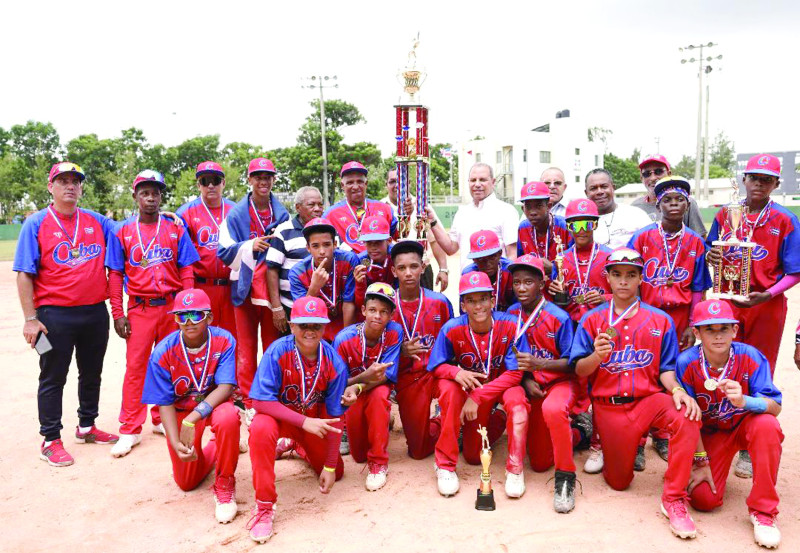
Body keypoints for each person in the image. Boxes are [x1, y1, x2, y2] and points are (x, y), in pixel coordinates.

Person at [570, 247, 702, 540]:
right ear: (607, 278)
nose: (624, 281)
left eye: (631, 275)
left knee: (686, 414)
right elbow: (579, 370)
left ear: (641, 278)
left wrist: (679, 390)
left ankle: (674, 497)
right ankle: (611, 447)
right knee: (619, 482)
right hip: (610, 407)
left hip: (649, 400)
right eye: (616, 274)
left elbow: (666, 370)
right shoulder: (592, 319)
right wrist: (596, 356)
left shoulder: (660, 320)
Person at [14, 162, 119, 466]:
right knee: (52, 376)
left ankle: (87, 426)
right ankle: (50, 439)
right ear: (51, 187)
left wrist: (168, 218)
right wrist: (30, 318)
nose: (70, 186)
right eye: (62, 181)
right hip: (52, 317)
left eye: (75, 181)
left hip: (94, 313)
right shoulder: (35, 223)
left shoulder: (96, 221)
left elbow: (131, 228)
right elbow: (23, 274)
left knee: (91, 373)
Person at [706, 153, 800, 480]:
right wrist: (712, 254)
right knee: (722, 361)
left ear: (776, 184)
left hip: (766, 303)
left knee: (760, 367)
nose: (758, 184)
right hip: (729, 300)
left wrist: (769, 294)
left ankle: (748, 444)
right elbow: (710, 251)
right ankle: (721, 426)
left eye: (766, 179)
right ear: (744, 179)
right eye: (753, 177)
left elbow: (795, 272)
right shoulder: (726, 213)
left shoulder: (786, 220)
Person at [245, 296, 360, 543]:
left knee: (337, 473)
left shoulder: (334, 362)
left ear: (325, 327)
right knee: (260, 427)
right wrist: (303, 422)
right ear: (291, 325)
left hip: (314, 423)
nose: (310, 331)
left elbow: (335, 418)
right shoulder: (277, 351)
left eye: (316, 325)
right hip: (284, 420)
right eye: (303, 324)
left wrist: (329, 465)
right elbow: (260, 402)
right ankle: (264, 506)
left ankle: (297, 446)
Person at [105, 169, 200, 457]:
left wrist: (188, 307)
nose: (150, 197)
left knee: (173, 365)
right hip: (140, 308)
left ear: (161, 196)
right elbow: (115, 275)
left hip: (172, 307)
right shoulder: (121, 231)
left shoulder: (174, 228)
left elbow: (187, 268)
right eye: (144, 192)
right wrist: (118, 313)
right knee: (136, 369)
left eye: (155, 192)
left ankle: (162, 419)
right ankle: (130, 428)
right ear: (135, 196)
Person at [677, 299, 783, 549]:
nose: (717, 336)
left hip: (745, 426)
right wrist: (700, 459)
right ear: (697, 332)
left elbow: (775, 406)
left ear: (735, 330)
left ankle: (764, 511)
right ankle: (709, 466)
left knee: (767, 425)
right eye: (709, 329)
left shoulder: (750, 356)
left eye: (724, 328)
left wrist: (745, 400)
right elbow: (688, 416)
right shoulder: (686, 362)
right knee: (704, 500)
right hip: (712, 432)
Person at [627, 176, 712, 465]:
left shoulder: (695, 242)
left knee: (671, 376)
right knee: (642, 372)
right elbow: (627, 274)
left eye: (679, 200)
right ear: (657, 204)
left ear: (687, 204)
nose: (674, 204)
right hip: (646, 315)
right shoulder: (642, 237)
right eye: (667, 200)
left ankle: (662, 435)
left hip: (678, 318)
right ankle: (637, 439)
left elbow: (699, 287)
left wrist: (692, 324)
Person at [427, 271, 530, 499]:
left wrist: (477, 396)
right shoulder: (452, 328)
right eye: (471, 300)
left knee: (518, 402)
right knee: (473, 455)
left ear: (492, 301)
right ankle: (444, 465)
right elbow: (436, 366)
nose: (478, 306)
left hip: (501, 386)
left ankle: (515, 469)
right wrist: (456, 371)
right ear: (462, 305)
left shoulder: (511, 324)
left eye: (483, 298)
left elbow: (515, 373)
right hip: (473, 389)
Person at [141, 289, 240, 524]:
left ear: (209, 317)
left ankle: (225, 484)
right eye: (181, 316)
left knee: (228, 417)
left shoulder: (224, 339)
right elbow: (163, 402)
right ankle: (220, 446)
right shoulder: (163, 351)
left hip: (213, 404)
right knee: (186, 483)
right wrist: (175, 441)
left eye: (196, 315)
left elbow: (225, 386)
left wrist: (194, 417)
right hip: (180, 410)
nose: (188, 322)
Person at [506, 255, 581, 512]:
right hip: (530, 385)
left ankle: (565, 477)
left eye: (529, 282)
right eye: (517, 282)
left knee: (553, 410)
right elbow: (509, 357)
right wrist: (526, 378)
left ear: (542, 283)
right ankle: (574, 434)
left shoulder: (558, 317)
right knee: (538, 462)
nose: (522, 288)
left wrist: (540, 365)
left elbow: (572, 364)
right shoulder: (509, 314)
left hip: (558, 383)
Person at [217, 158, 290, 423]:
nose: (263, 182)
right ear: (249, 180)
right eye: (258, 177)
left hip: (271, 291)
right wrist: (250, 245)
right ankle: (248, 401)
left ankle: (272, 396)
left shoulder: (281, 213)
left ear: (273, 180)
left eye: (268, 177)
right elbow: (223, 251)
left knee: (273, 345)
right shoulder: (236, 214)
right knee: (246, 348)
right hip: (244, 290)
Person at [548, 198, 613, 475]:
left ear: (596, 224)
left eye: (588, 223)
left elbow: (630, 294)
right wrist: (559, 296)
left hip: (601, 330)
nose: (582, 229)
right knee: (576, 382)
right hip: (573, 331)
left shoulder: (608, 256)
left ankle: (598, 443)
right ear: (568, 227)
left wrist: (605, 297)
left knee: (601, 386)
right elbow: (556, 302)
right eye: (575, 224)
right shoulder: (561, 259)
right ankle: (579, 429)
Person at [333, 283, 403, 491]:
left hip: (372, 389)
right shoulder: (343, 339)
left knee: (381, 395)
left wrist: (360, 386)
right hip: (350, 391)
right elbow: (337, 384)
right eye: (372, 310)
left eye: (384, 312)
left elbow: (388, 375)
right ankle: (382, 422)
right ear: (363, 311)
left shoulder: (394, 332)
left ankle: (379, 462)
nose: (377, 316)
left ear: (391, 315)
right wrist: (363, 378)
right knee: (358, 454)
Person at [390, 240, 453, 460]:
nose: (408, 273)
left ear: (423, 267)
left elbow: (452, 343)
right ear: (393, 271)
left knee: (452, 393)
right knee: (418, 451)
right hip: (408, 377)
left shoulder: (440, 302)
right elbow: (376, 351)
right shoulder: (387, 306)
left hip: (437, 373)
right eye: (402, 268)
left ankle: (448, 421)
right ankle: (437, 421)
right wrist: (401, 351)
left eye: (413, 266)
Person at [175, 162, 237, 338]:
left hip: (230, 287)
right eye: (205, 181)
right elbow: (181, 257)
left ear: (223, 183)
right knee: (201, 338)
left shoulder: (235, 210)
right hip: (201, 286)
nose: (210, 185)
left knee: (232, 339)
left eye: (215, 180)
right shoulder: (185, 212)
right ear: (198, 185)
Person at [427, 163, 519, 269]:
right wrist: (433, 221)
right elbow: (450, 248)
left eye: (483, 180)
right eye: (473, 180)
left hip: (495, 283)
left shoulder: (506, 211)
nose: (477, 184)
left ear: (493, 182)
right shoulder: (462, 213)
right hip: (467, 282)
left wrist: (504, 282)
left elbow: (513, 254)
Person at [289, 218, 358, 342]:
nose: (322, 251)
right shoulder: (297, 273)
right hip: (316, 324)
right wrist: (314, 288)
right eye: (315, 246)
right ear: (308, 248)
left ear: (335, 244)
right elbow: (301, 313)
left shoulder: (349, 260)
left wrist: (346, 339)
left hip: (346, 321)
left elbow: (349, 302)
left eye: (327, 245)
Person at [265, 186, 324, 333]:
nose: (317, 209)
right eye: (311, 204)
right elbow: (272, 270)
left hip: (322, 308)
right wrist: (277, 307)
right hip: (290, 306)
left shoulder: (328, 229)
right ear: (298, 207)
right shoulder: (283, 231)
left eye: (320, 204)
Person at [381, 168, 449, 291]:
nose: (397, 185)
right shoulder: (379, 209)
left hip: (421, 270)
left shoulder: (422, 206)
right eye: (392, 181)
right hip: (390, 271)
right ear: (386, 185)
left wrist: (443, 269)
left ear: (410, 183)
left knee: (425, 308)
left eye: (402, 181)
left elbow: (435, 240)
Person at [324, 161, 397, 254]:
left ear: (366, 183)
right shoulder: (330, 215)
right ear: (342, 185)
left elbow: (396, 239)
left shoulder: (385, 209)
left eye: (360, 181)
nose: (355, 187)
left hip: (381, 266)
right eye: (350, 182)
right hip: (348, 267)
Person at [632, 155, 706, 237]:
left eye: (658, 171)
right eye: (646, 174)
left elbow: (700, 240)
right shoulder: (635, 207)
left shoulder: (686, 202)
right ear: (641, 178)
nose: (652, 178)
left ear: (669, 174)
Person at [584, 168, 651, 249]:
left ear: (613, 187)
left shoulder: (636, 215)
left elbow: (652, 245)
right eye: (593, 188)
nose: (599, 192)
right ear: (586, 193)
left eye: (604, 186)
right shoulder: (581, 223)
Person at [517, 181, 570, 274]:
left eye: (538, 206)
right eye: (528, 207)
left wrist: (554, 268)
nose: (533, 212)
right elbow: (521, 261)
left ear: (548, 206)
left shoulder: (564, 226)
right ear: (523, 209)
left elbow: (576, 264)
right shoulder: (523, 228)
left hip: (561, 285)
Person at [460, 230, 516, 312]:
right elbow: (465, 312)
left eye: (492, 257)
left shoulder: (511, 270)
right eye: (480, 259)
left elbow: (519, 307)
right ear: (474, 259)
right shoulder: (468, 275)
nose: (487, 263)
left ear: (500, 253)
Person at [353, 216, 396, 313]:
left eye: (378, 242)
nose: (373, 247)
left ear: (389, 240)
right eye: (369, 242)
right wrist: (359, 284)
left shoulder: (397, 257)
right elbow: (360, 305)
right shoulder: (359, 261)